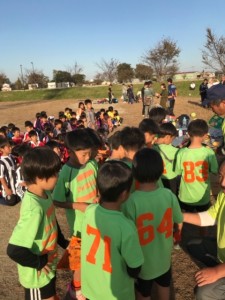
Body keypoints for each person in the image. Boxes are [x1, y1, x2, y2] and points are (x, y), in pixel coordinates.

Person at [123, 148, 183, 300]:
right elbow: (179, 221)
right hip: (164, 259)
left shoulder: (131, 201)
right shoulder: (168, 194)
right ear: (161, 170)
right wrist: (177, 235)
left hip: (142, 263)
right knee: (164, 287)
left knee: (143, 293)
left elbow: (127, 235)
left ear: (134, 172)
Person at [81, 160, 144, 300]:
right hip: (116, 293)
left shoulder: (90, 211)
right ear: (124, 194)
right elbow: (135, 267)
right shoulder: (126, 226)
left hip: (91, 288)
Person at [7, 147, 62, 300]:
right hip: (36, 274)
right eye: (54, 173)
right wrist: (39, 262)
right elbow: (14, 250)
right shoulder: (34, 209)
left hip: (48, 264)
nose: (58, 176)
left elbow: (51, 220)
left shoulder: (45, 194)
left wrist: (63, 241)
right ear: (39, 177)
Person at [53, 129, 98, 299]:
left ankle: (91, 280)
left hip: (96, 220)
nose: (88, 157)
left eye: (89, 153)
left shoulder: (92, 164)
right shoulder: (66, 172)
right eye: (84, 154)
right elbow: (57, 200)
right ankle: (77, 289)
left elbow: (97, 183)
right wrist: (77, 205)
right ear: (71, 152)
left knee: (94, 255)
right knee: (78, 261)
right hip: (79, 227)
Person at [183, 159, 225, 300]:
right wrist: (179, 216)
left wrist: (217, 272)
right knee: (195, 246)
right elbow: (209, 217)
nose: (223, 183)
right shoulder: (223, 195)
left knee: (204, 293)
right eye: (220, 176)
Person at [174, 119, 218, 212]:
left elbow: (177, 172)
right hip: (203, 197)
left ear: (188, 134)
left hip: (185, 197)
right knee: (202, 223)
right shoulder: (209, 152)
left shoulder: (181, 153)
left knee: (186, 223)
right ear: (206, 135)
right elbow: (214, 170)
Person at [155, 123, 180, 196]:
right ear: (167, 137)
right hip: (170, 178)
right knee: (171, 196)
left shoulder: (153, 147)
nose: (172, 141)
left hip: (158, 179)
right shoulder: (172, 150)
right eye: (172, 139)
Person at [0, 137, 19, 206]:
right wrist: (6, 189)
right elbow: (1, 177)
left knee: (18, 199)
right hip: (9, 186)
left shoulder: (11, 156)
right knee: (12, 202)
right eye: (8, 147)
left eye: (10, 146)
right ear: (2, 149)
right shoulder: (1, 162)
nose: (10, 148)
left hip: (15, 185)